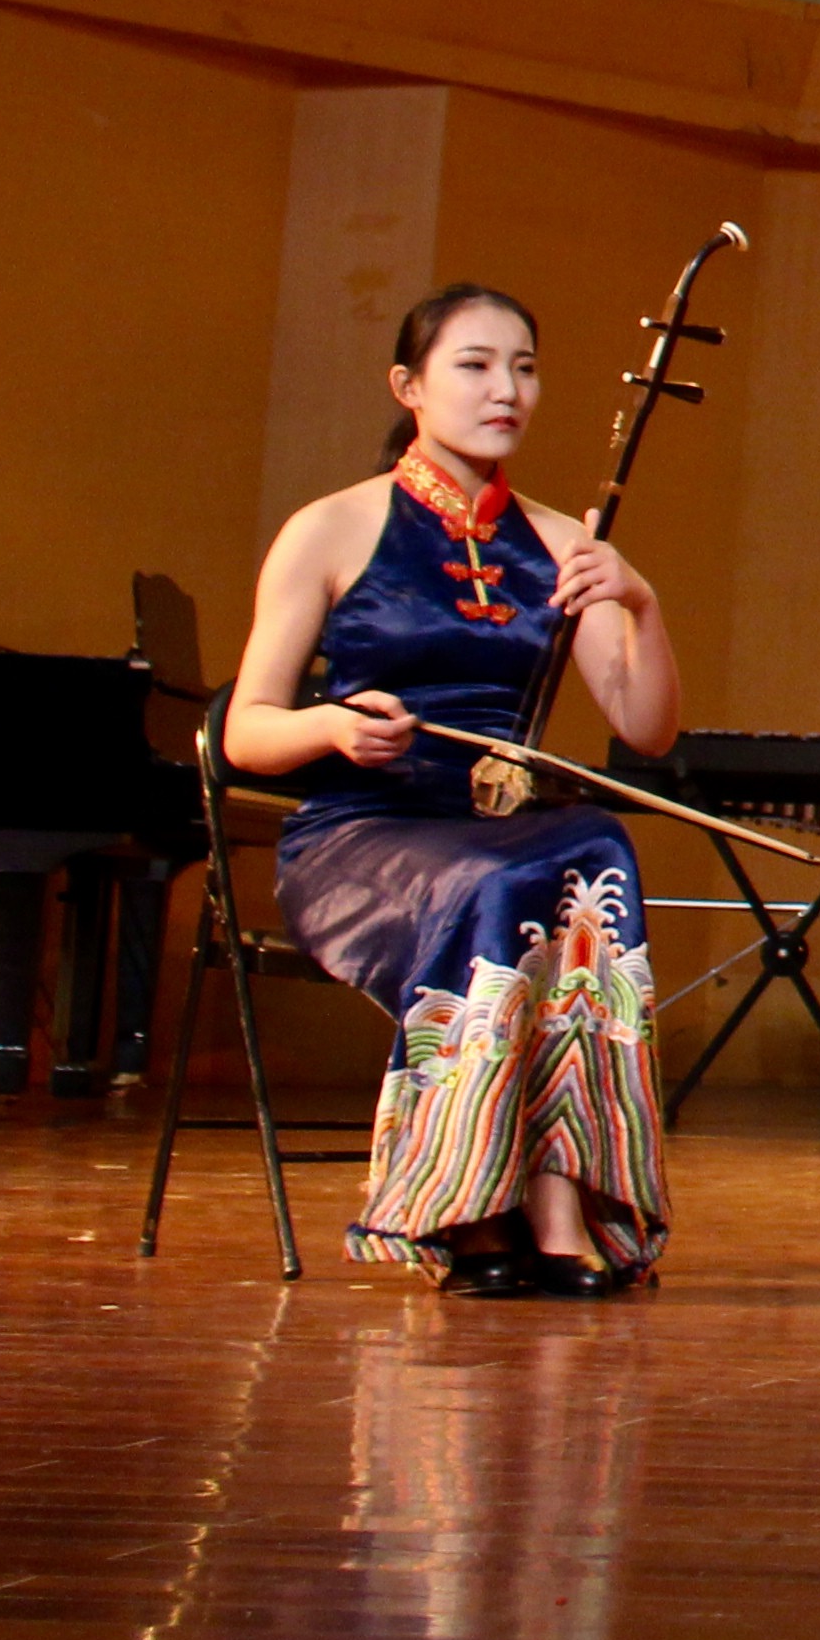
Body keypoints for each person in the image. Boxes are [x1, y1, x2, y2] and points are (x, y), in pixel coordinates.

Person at [227, 283, 677, 1296]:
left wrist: (640, 601)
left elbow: (646, 728)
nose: (505, 389)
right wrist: (332, 725)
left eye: (523, 368)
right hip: (359, 840)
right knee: (498, 881)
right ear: (409, 386)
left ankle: (559, 1195)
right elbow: (246, 731)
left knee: (594, 844)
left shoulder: (560, 543)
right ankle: (470, 1207)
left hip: (498, 838)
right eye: (474, 365)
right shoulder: (331, 529)